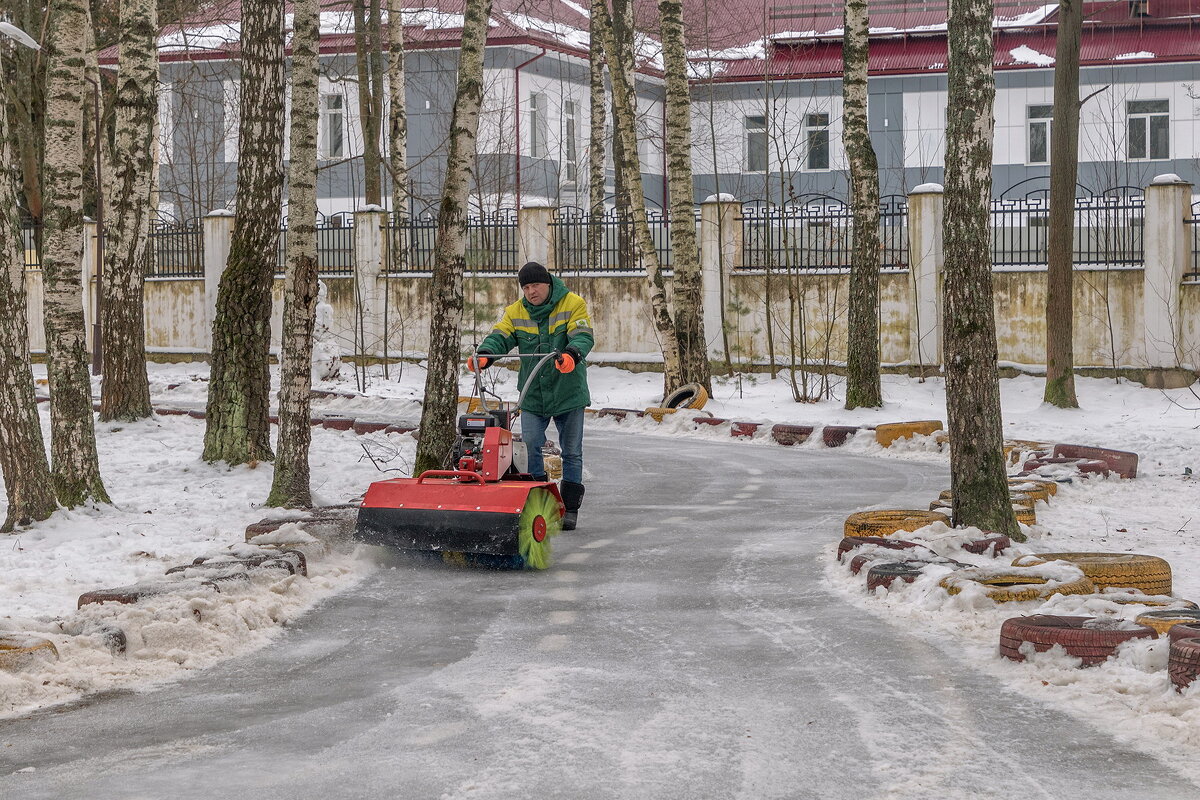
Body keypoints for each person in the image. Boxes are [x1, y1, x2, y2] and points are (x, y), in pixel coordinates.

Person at [468, 261, 594, 531]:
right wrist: (485, 355)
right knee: (530, 445)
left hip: (568, 391)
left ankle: (570, 508)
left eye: (535, 285)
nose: (530, 292)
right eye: (525, 287)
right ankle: (540, 501)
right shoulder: (516, 311)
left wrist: (572, 354)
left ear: (547, 283)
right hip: (533, 393)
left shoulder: (573, 304)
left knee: (571, 451)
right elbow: (500, 335)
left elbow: (583, 335)